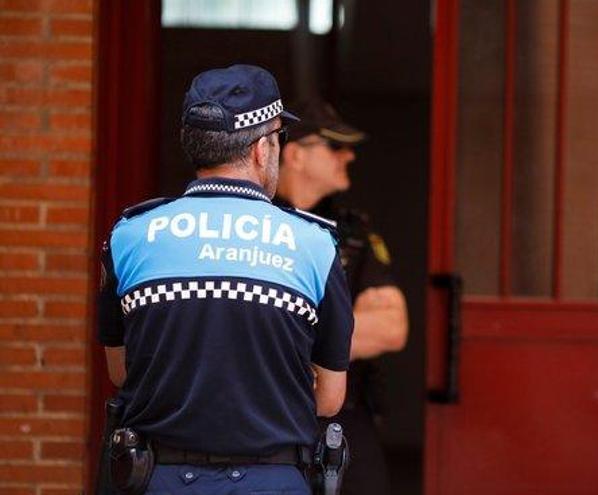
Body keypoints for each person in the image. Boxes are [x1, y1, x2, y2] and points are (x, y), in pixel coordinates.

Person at [96, 65, 353, 494]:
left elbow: (121, 371)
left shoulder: (128, 236)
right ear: (261, 149)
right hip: (272, 481)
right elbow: (327, 398)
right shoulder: (315, 244)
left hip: (158, 478)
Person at [274, 99, 408, 495]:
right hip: (266, 412)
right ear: (295, 155)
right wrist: (339, 325)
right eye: (334, 146)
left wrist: (275, 333)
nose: (348, 155)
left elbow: (391, 327)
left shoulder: (349, 232)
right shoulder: (249, 225)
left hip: (342, 417)